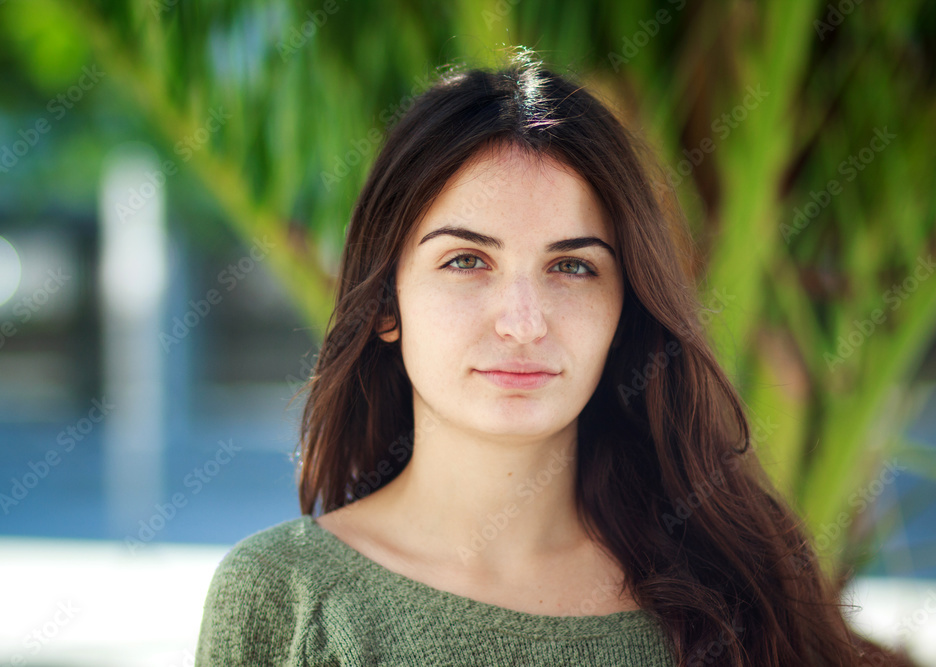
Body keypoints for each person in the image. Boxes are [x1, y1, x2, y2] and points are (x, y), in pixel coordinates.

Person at [195, 48, 907, 666]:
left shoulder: (736, 593)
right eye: (467, 259)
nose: (522, 322)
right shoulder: (282, 596)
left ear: (625, 308)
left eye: (572, 267)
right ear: (385, 302)